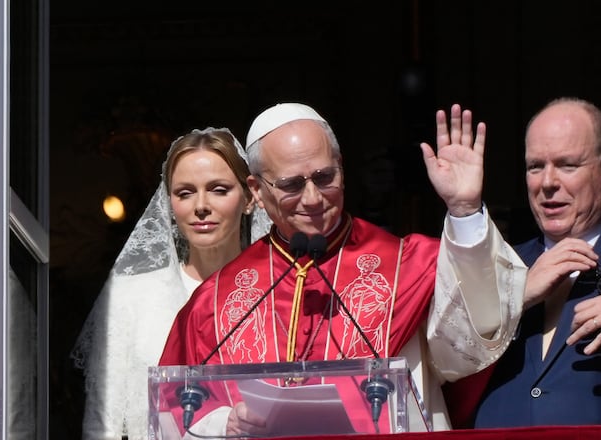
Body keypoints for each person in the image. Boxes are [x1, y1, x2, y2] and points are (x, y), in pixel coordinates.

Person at [158, 103, 527, 435]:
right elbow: (174, 407)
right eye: (290, 184)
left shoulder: (408, 266)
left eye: (324, 177)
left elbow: (472, 343)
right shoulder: (217, 300)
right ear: (256, 190)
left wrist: (464, 210)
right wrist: (225, 421)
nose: (313, 198)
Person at [71, 127, 272, 440]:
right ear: (169, 204)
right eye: (185, 192)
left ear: (249, 197)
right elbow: (102, 424)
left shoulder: (281, 291)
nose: (200, 205)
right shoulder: (130, 295)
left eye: (218, 189)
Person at [470, 98, 601, 428]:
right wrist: (515, 294)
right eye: (536, 167)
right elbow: (442, 358)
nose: (547, 182)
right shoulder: (499, 264)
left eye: (567, 165)